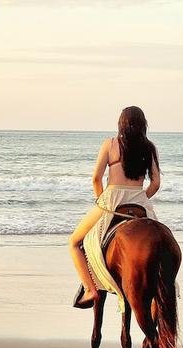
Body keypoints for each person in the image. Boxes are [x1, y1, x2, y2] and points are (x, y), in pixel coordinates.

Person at [69, 106, 161, 308]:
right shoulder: (149, 147)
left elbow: (96, 178)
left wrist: (102, 199)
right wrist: (140, 197)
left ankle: (89, 289)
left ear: (121, 123)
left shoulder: (110, 144)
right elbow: (155, 184)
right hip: (139, 202)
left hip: (111, 201)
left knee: (74, 242)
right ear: (143, 124)